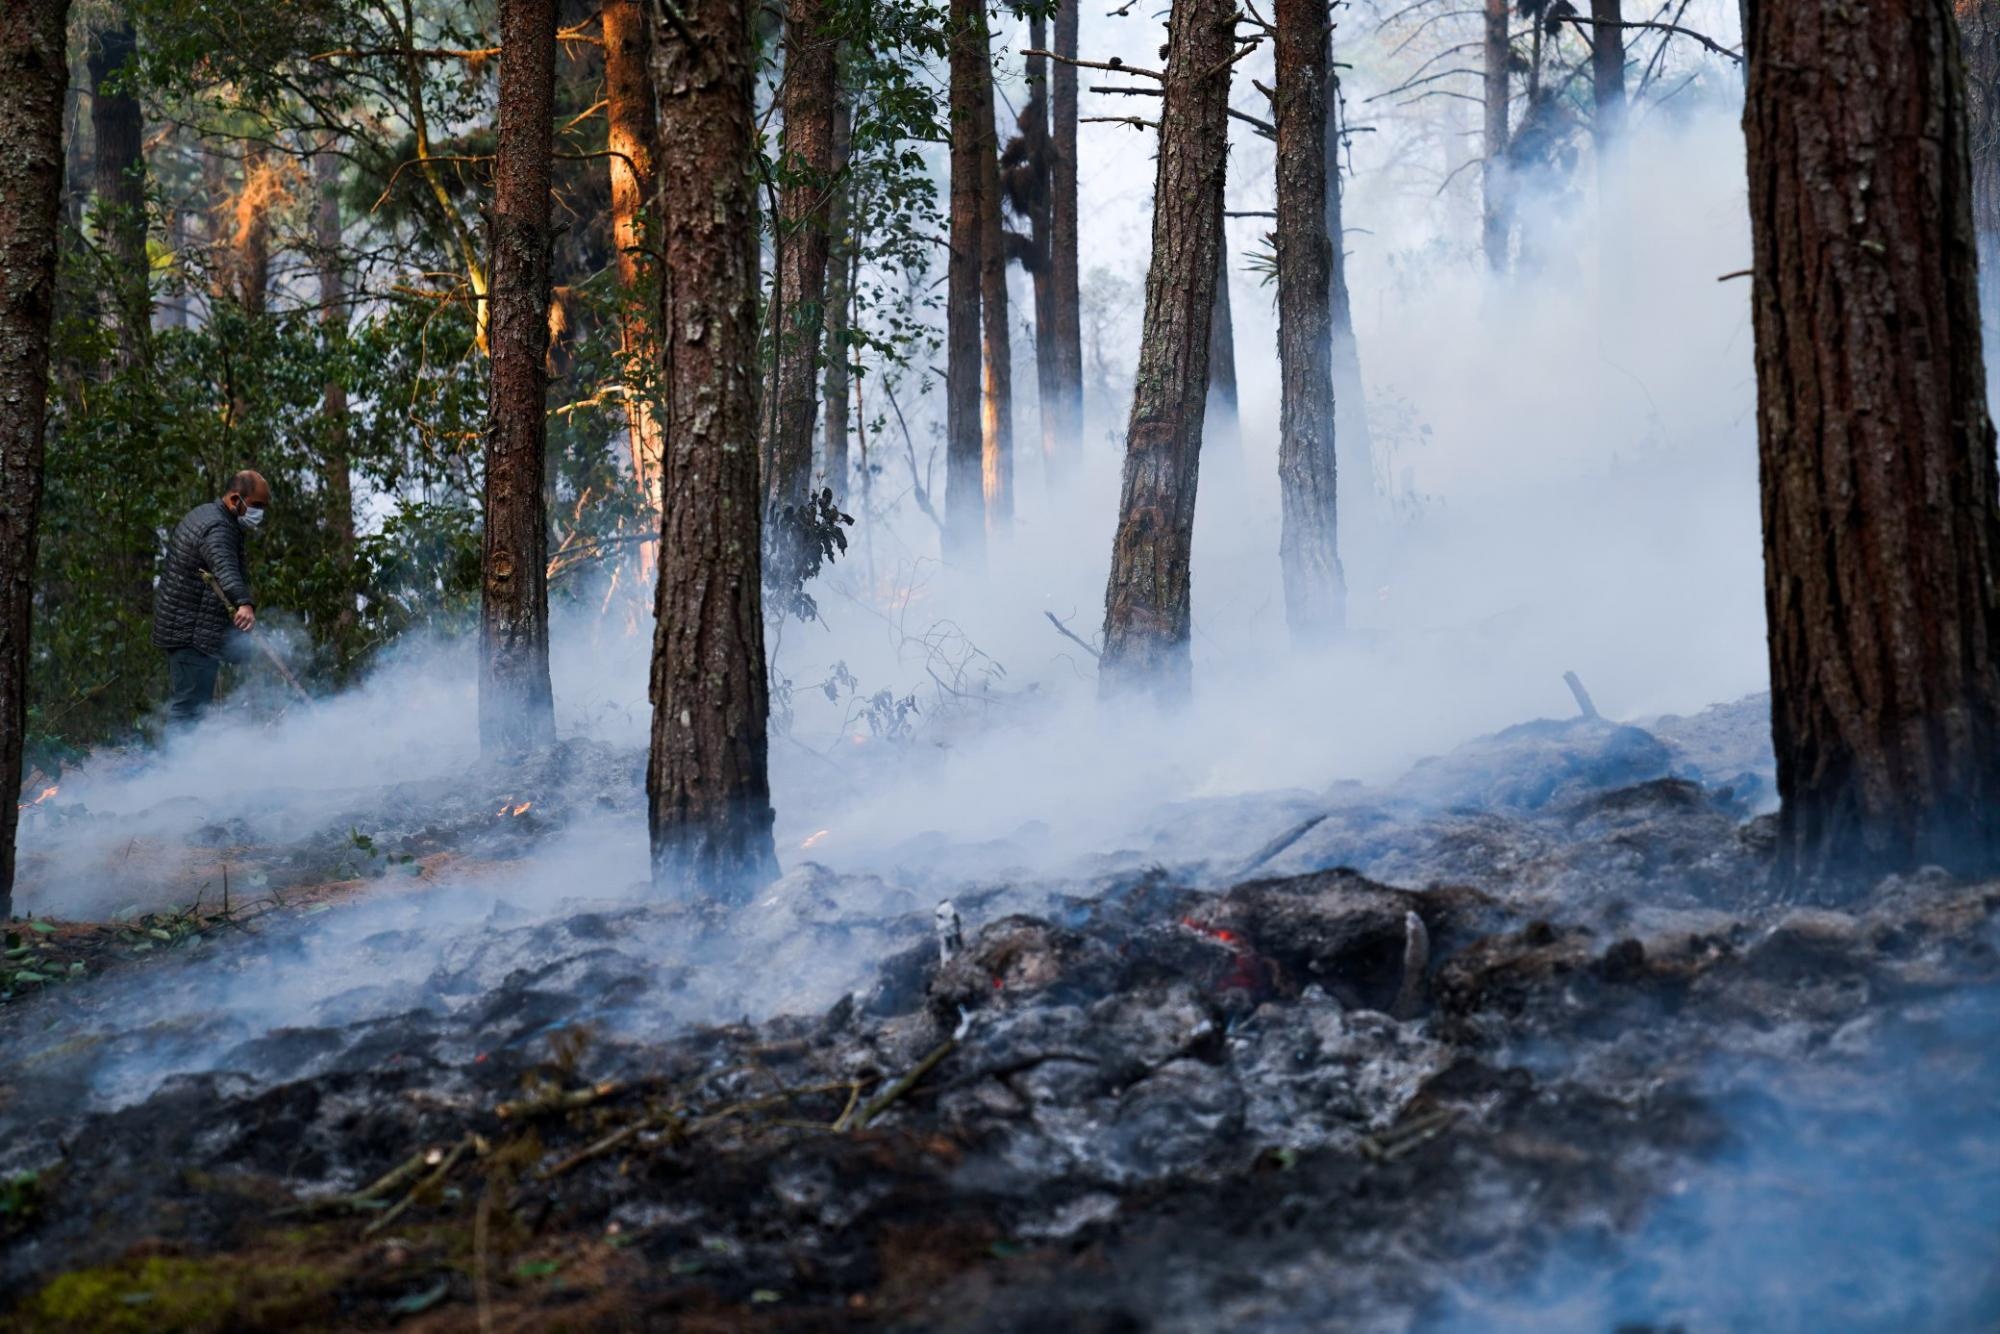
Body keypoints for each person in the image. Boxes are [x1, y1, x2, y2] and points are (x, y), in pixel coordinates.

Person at [152, 471, 270, 725]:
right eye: (256, 505)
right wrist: (244, 604)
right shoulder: (218, 527)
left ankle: (186, 761)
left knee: (193, 706)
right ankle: (177, 764)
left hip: (191, 628)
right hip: (191, 632)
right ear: (235, 499)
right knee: (189, 709)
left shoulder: (211, 516)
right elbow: (225, 567)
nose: (260, 513)